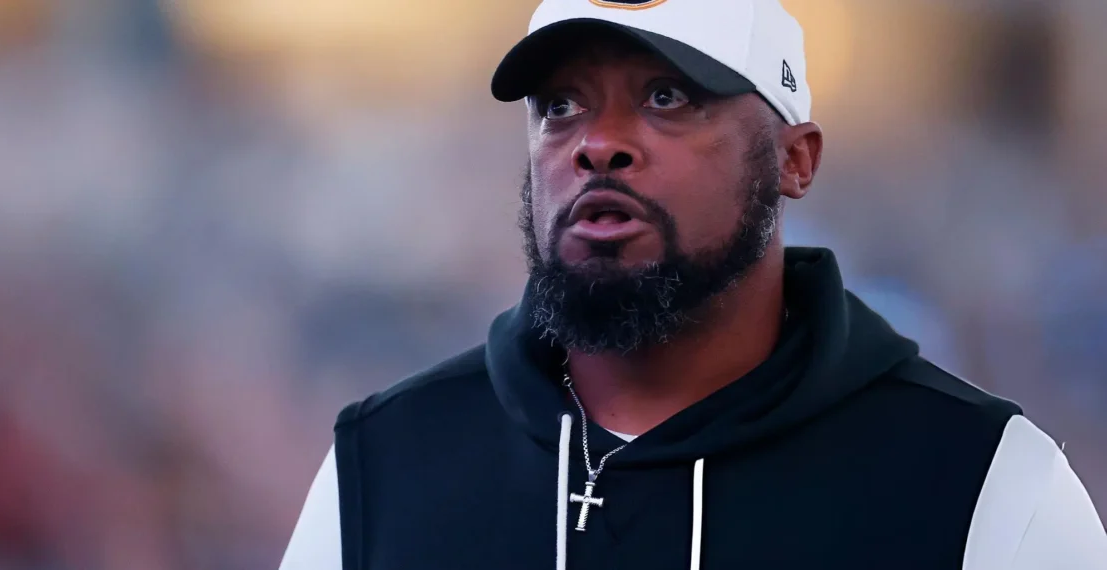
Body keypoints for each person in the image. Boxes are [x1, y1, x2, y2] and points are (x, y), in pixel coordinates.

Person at [279, 0, 1107, 568]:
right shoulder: (382, 469)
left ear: (795, 158)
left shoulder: (983, 486)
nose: (597, 145)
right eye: (561, 106)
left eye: (666, 96)